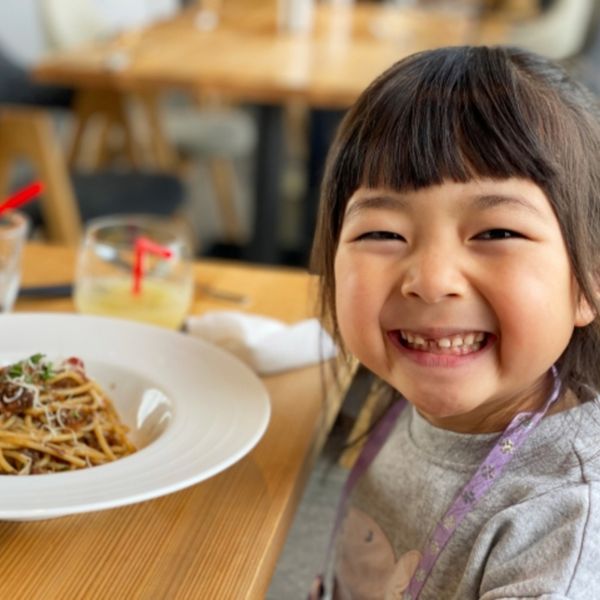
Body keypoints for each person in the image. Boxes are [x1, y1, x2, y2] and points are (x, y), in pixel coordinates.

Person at [310, 45, 600, 599]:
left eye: (495, 233)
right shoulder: (408, 381)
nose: (431, 279)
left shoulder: (566, 525)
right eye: (382, 234)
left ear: (589, 279)